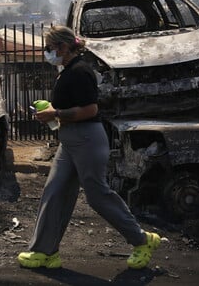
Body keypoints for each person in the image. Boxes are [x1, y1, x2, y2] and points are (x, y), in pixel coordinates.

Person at [17, 25, 160, 270]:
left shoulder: (80, 71)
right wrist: (49, 110)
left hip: (86, 139)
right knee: (54, 191)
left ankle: (142, 240)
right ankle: (45, 252)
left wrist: (57, 112)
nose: (47, 52)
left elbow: (91, 110)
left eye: (49, 48)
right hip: (71, 139)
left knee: (97, 196)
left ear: (62, 47)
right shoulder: (68, 70)